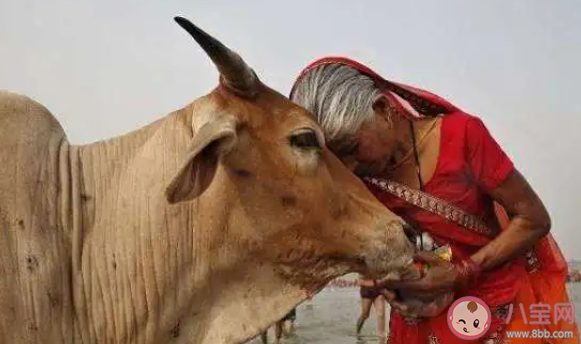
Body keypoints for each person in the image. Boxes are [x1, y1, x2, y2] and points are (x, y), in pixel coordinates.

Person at [289, 57, 580, 344]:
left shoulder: (463, 136)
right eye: (340, 161)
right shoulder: (361, 181)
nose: (350, 168)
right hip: (424, 319)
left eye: (353, 149)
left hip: (497, 304)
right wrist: (396, 286)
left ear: (383, 109)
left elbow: (534, 219)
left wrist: (458, 274)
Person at [356, 277, 387, 341]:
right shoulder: (364, 268)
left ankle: (382, 337)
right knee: (365, 315)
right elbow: (359, 281)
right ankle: (357, 332)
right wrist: (374, 283)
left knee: (381, 314)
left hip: (379, 291)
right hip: (367, 290)